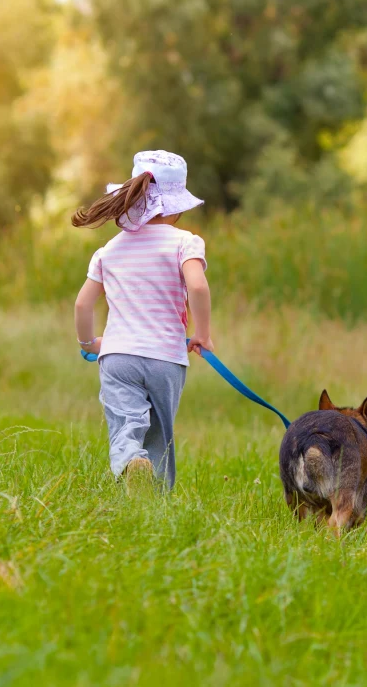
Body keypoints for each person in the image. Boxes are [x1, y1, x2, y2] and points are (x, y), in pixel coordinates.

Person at [72, 150, 212, 490]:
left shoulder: (109, 250)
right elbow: (197, 284)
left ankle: (131, 460)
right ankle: (156, 498)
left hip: (118, 355)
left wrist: (89, 343)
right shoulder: (184, 242)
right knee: (160, 432)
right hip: (167, 358)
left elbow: (82, 304)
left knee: (126, 424)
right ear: (177, 206)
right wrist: (203, 334)